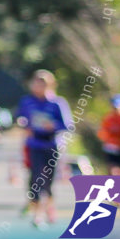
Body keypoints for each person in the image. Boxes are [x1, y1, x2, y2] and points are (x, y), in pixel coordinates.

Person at [16, 70, 72, 229]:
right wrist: (23, 123)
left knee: (47, 182)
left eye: (43, 84)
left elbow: (68, 125)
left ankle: (49, 207)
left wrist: (53, 126)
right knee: (35, 179)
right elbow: (20, 118)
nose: (39, 87)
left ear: (50, 85)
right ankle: (37, 215)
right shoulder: (26, 101)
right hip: (34, 144)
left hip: (52, 145)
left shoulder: (57, 103)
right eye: (36, 83)